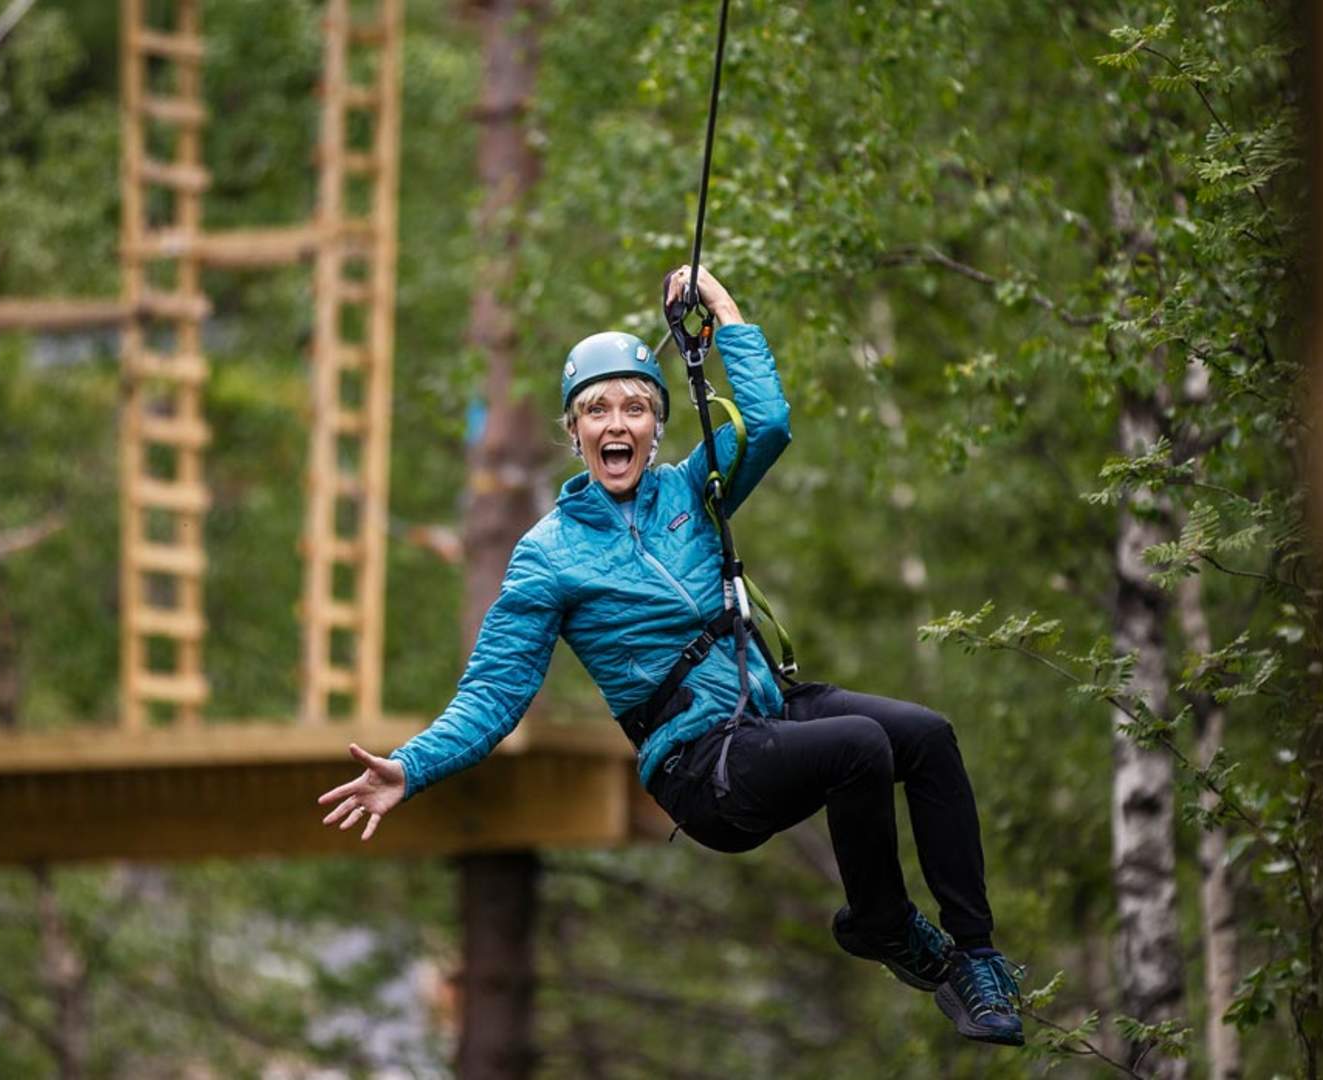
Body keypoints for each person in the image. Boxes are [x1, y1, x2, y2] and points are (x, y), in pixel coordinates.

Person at [316, 266, 1024, 1047]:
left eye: (635, 407)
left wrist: (721, 311)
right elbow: (493, 694)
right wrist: (411, 767)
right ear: (574, 433)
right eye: (596, 410)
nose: (615, 423)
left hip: (767, 708)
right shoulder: (547, 557)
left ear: (656, 427)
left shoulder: (692, 491)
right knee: (859, 746)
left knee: (926, 736)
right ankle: (882, 923)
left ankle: (976, 956)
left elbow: (769, 422)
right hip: (700, 763)